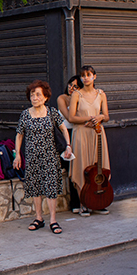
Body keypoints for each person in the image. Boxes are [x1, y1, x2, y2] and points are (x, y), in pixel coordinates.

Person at [14, 80, 73, 234]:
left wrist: (68, 145)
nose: (35, 97)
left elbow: (64, 129)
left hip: (50, 157)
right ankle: (39, 218)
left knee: (51, 188)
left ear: (45, 97)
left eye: (38, 94)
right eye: (32, 95)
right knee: (35, 188)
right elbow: (19, 135)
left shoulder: (52, 112)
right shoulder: (25, 114)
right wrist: (17, 155)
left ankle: (53, 220)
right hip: (32, 157)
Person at [68, 65, 110, 216]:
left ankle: (98, 201)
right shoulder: (76, 95)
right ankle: (83, 202)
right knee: (82, 166)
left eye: (88, 74)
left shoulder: (101, 94)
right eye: (83, 75)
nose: (86, 78)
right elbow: (72, 117)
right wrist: (90, 118)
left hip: (97, 133)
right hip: (81, 133)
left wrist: (100, 117)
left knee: (99, 165)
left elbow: (106, 115)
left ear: (94, 76)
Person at [56, 76, 82, 212]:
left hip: (79, 133)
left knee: (80, 167)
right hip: (65, 136)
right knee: (72, 167)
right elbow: (69, 117)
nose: (71, 88)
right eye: (70, 85)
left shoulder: (81, 99)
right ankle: (75, 203)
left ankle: (84, 201)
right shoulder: (62, 98)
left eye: (76, 87)